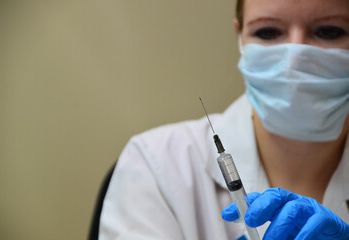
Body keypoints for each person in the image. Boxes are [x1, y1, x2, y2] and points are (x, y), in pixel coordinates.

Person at [99, 0, 349, 239]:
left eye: (328, 31)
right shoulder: (157, 165)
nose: (295, 59)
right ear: (240, 37)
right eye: (268, 32)